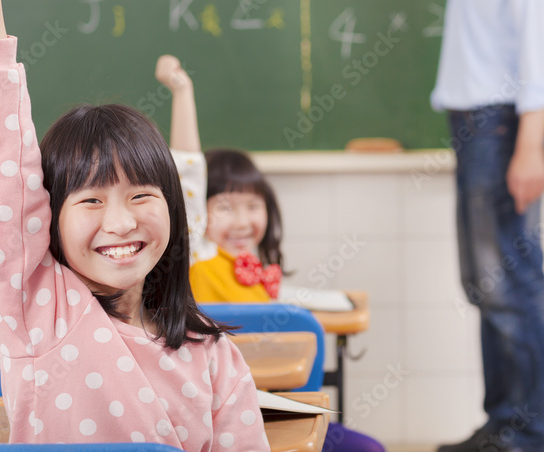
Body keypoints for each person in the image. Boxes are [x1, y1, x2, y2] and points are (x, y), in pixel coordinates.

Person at [277, 0, 544, 452]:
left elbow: (541, 60)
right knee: (487, 285)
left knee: (513, 286)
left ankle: (530, 437)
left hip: (506, 129)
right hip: (478, 127)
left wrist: (529, 148)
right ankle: (503, 427)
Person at [0, 0, 270, 450]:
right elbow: (2, 167)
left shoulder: (214, 358)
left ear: (174, 204)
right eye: (91, 201)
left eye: (141, 195)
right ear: (46, 219)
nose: (120, 222)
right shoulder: (39, 312)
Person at [155, 55, 385, 452]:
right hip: (216, 412)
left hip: (273, 407)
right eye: (225, 206)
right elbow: (188, 173)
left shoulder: (257, 272)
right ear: (197, 214)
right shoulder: (196, 258)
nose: (242, 220)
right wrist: (183, 91)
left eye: (252, 205)